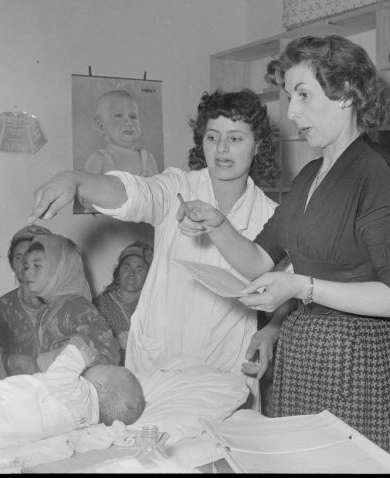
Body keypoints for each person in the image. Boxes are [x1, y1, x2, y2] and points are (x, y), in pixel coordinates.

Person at [175, 35, 390, 473]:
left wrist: (301, 286)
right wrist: (218, 224)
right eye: (290, 97)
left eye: (303, 95)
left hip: (356, 360)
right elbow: (257, 260)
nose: (291, 112)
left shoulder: (373, 172)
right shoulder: (311, 174)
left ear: (346, 92)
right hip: (304, 355)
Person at [27, 88, 280, 408]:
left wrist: (271, 330)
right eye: (213, 137)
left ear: (258, 144)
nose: (222, 149)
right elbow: (135, 192)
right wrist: (77, 180)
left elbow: (286, 288)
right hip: (158, 361)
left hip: (224, 365)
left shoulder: (270, 215)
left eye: (236, 138)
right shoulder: (179, 187)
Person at [0, 336, 145, 451]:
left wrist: (79, 354)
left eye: (109, 366)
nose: (101, 363)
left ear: (101, 386)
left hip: (7, 407)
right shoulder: (86, 419)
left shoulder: (83, 394)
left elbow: (58, 376)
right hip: (1, 436)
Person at [19, 233, 121, 371]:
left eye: (37, 266)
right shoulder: (44, 312)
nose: (28, 273)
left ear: (60, 268)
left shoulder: (78, 308)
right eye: (26, 267)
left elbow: (108, 356)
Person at [0, 225, 53, 375]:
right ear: (12, 264)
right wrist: (9, 360)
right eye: (19, 257)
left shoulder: (69, 303)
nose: (25, 264)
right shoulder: (2, 307)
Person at [94, 241, 153, 363]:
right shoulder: (100, 304)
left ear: (149, 276)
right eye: (126, 267)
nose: (132, 273)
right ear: (118, 273)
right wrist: (115, 341)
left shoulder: (155, 305)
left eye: (140, 269)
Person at [84, 89, 159, 177]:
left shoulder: (147, 159)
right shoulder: (98, 160)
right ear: (101, 127)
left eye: (133, 117)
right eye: (118, 116)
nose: (129, 122)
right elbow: (88, 189)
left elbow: (157, 189)